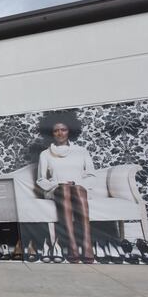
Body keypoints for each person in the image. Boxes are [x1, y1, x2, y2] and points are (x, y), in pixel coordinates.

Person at [36, 111, 95, 264]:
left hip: (78, 190)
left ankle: (87, 244)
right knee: (65, 189)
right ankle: (72, 246)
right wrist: (58, 184)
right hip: (56, 190)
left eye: (63, 129)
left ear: (70, 131)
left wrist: (77, 184)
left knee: (75, 189)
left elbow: (91, 176)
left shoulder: (82, 151)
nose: (60, 133)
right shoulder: (45, 154)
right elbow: (41, 179)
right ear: (51, 132)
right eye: (56, 130)